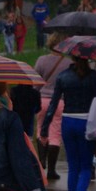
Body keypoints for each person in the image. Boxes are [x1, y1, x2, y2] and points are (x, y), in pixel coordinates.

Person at [40, 56, 96, 191]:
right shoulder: (92, 76)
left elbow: (53, 104)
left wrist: (45, 128)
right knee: (85, 166)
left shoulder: (63, 76)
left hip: (68, 121)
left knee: (73, 166)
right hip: (87, 122)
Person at [34, 33, 70, 181]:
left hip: (41, 100)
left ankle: (41, 162)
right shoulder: (68, 63)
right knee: (55, 133)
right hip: (59, 101)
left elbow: (35, 81)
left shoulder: (41, 60)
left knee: (40, 129)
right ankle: (52, 170)